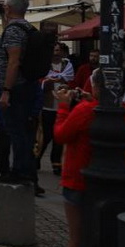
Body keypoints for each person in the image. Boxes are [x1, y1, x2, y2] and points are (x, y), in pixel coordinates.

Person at [53, 71, 125, 247]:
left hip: (78, 179)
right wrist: (91, 100)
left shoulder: (85, 111)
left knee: (79, 237)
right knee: (107, 235)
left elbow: (61, 135)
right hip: (116, 181)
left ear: (97, 86)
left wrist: (64, 106)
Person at [0, 0, 41, 194]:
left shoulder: (14, 31)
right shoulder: (26, 27)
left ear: (9, 8)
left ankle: (20, 169)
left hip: (15, 89)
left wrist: (6, 90)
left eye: (5, 5)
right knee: (23, 131)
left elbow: (13, 62)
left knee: (16, 130)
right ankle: (25, 169)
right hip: (26, 87)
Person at [39, 43, 76, 176]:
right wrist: (49, 81)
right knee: (45, 135)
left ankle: (56, 164)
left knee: (59, 136)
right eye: (54, 50)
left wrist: (61, 79)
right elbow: (40, 80)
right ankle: (37, 158)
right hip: (47, 105)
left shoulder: (67, 65)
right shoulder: (45, 64)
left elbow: (71, 79)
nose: (56, 53)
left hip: (62, 105)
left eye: (58, 50)